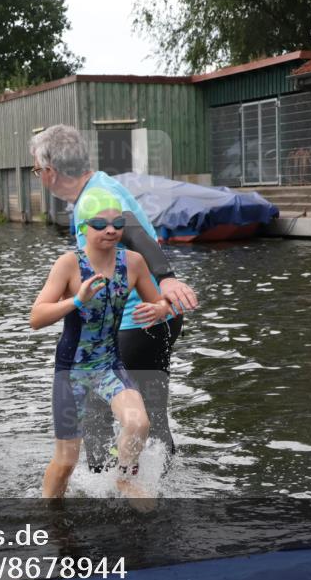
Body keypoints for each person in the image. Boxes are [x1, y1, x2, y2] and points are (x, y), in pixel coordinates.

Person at [29, 124, 199, 472]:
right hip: (150, 316)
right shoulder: (99, 187)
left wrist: (165, 279)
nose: (37, 176)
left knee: (96, 410)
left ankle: (109, 491)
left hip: (139, 317)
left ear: (50, 172)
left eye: (35, 170)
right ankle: (156, 490)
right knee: (147, 414)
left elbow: (134, 230)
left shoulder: (96, 196)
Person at [31, 187, 170, 500]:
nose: (111, 229)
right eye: (100, 224)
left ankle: (123, 478)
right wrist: (76, 300)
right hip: (72, 371)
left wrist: (159, 309)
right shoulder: (68, 265)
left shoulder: (133, 262)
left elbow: (160, 302)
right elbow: (36, 317)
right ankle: (47, 512)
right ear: (83, 228)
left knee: (138, 422)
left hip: (109, 364)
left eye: (117, 223)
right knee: (66, 461)